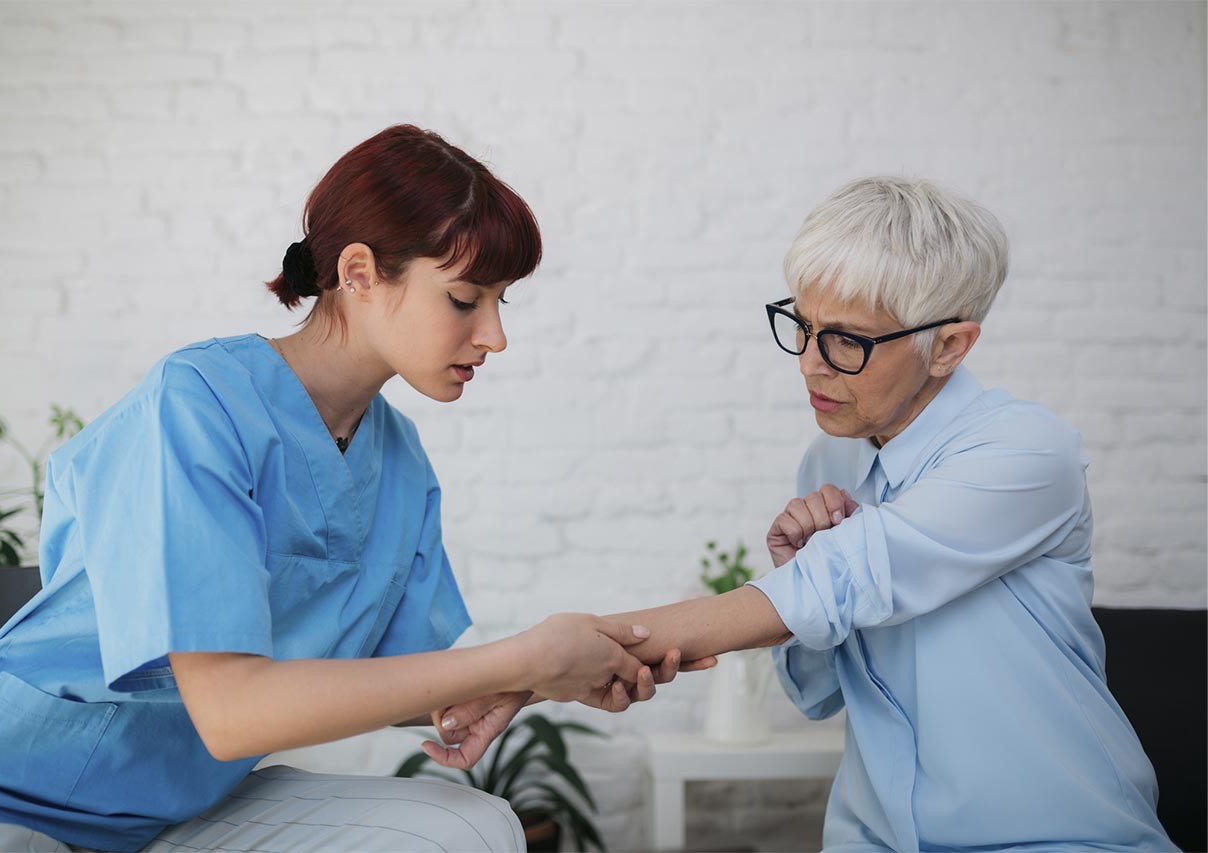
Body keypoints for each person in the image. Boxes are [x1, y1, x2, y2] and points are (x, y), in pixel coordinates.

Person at [0, 125, 694, 853]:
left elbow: (394, 690)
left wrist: (546, 676)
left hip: (172, 811)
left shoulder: (400, 463)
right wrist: (520, 658)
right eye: (466, 299)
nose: (495, 335)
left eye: (502, 302)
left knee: (471, 824)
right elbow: (231, 714)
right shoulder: (198, 401)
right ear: (358, 274)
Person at [438, 177, 1175, 851]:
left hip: (1059, 837)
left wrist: (534, 672)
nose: (810, 362)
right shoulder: (833, 463)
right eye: (803, 324)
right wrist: (796, 574)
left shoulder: (1025, 453)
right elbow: (817, 691)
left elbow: (843, 583)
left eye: (847, 340)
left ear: (948, 344)